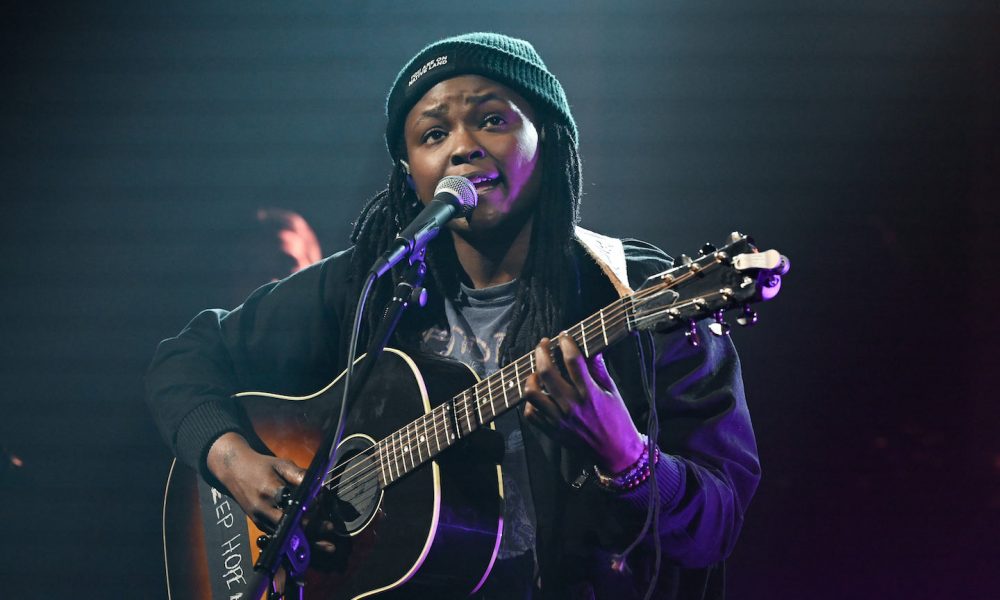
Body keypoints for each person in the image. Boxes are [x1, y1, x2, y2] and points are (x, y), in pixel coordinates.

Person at [146, 33, 760, 599]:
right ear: (410, 175)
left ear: (546, 140)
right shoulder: (370, 283)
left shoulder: (633, 293)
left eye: (492, 120)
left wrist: (627, 458)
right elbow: (185, 357)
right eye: (433, 134)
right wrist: (235, 462)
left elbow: (720, 526)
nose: (463, 146)